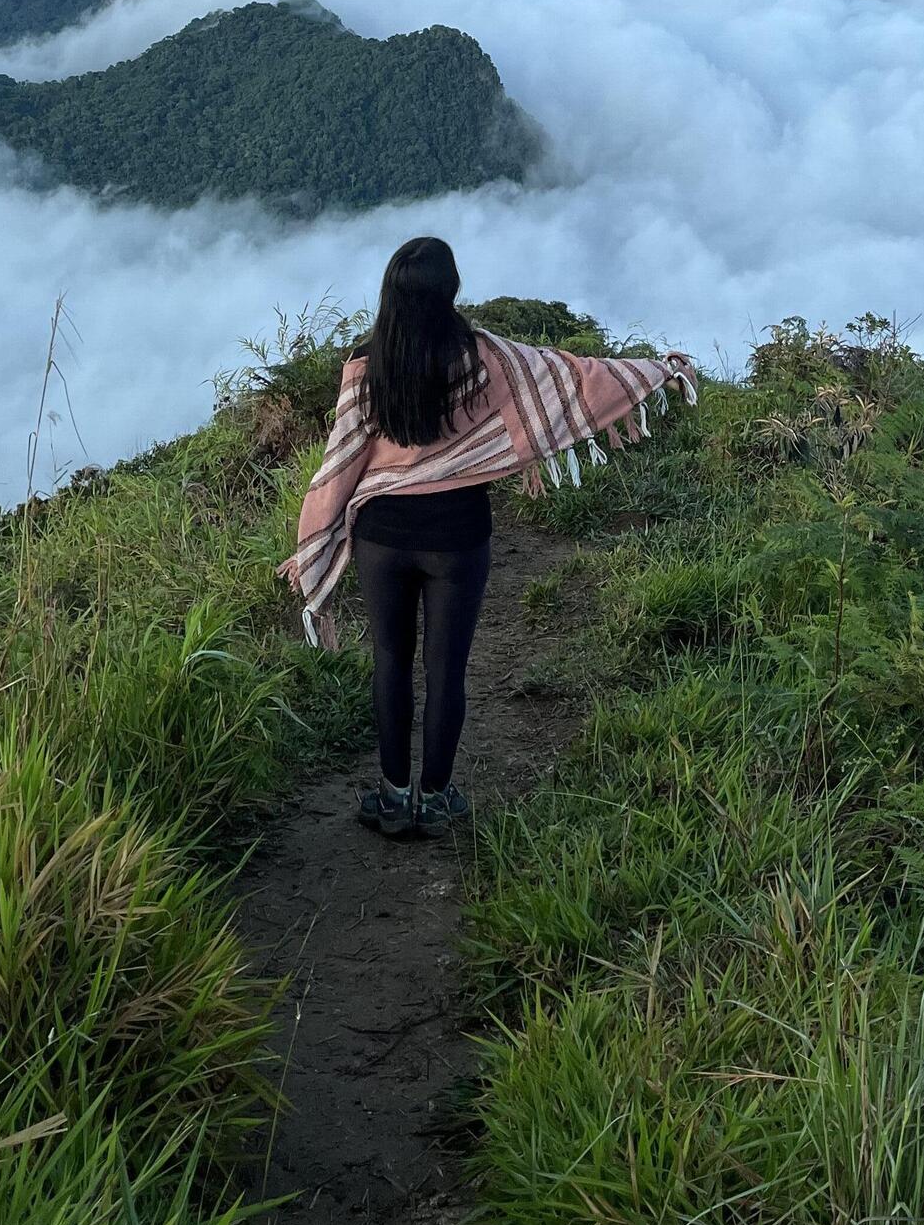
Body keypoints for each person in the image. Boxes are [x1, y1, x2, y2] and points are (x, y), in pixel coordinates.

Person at [279, 236, 698, 839]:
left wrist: (312, 539)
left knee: (391, 662)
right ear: (452, 290)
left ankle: (395, 799)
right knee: (447, 669)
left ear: (389, 293)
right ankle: (438, 796)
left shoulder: (366, 367)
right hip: (458, 535)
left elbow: (339, 467)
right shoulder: (486, 358)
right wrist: (657, 371)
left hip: (383, 538)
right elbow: (572, 375)